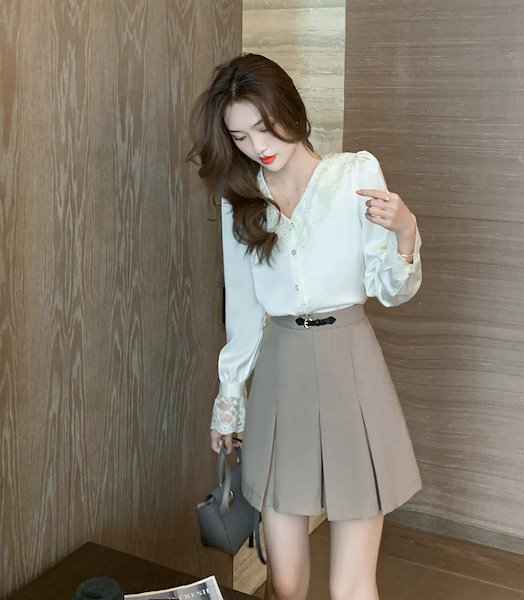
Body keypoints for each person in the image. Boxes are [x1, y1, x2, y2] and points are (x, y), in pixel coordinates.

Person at [188, 53, 423, 600]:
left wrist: (407, 232)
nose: (257, 146)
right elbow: (244, 310)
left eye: (264, 127)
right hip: (281, 367)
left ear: (290, 109)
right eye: (240, 136)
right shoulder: (241, 200)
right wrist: (230, 398)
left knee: (351, 586)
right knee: (286, 582)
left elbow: (391, 290)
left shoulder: (354, 175)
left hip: (350, 364)